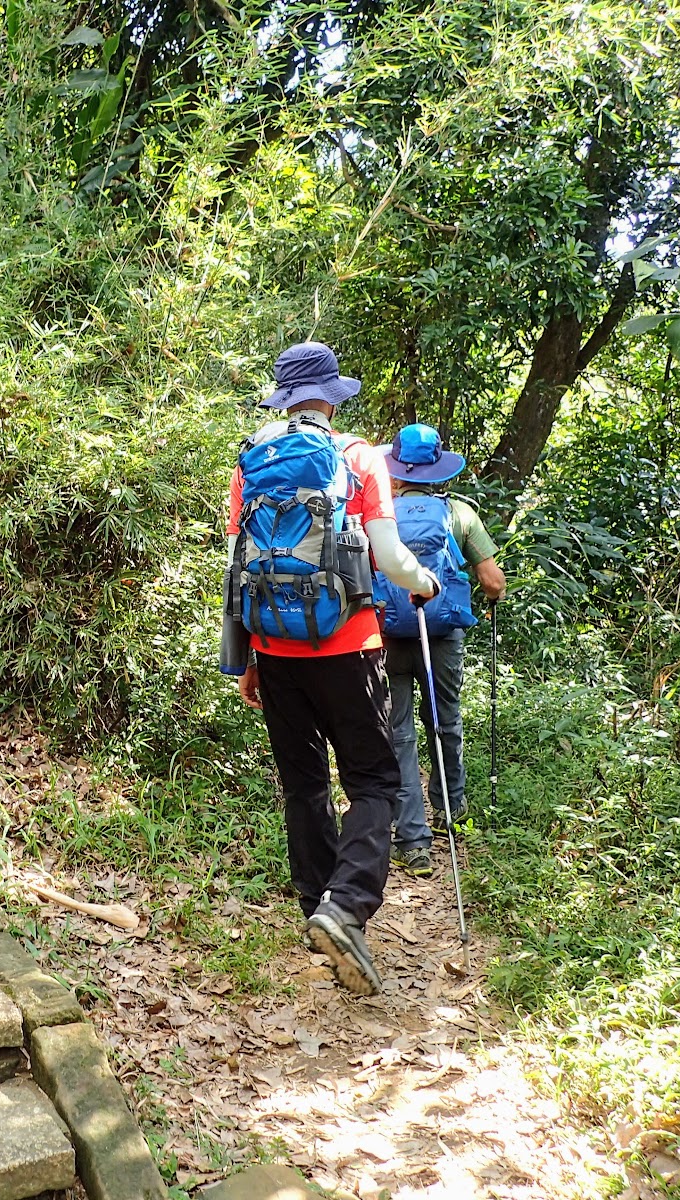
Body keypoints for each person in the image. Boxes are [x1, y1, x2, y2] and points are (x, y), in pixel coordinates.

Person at [223, 342, 440, 997]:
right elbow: (389, 556)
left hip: (275, 649)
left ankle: (318, 905)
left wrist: (248, 657)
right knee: (374, 779)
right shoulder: (360, 457)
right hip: (350, 644)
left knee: (304, 785)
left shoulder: (250, 462)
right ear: (331, 398)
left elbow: (238, 566)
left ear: (284, 400)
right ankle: (344, 908)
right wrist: (423, 582)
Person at [374, 424, 506, 879]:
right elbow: (492, 581)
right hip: (443, 633)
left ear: (395, 471)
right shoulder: (460, 514)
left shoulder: (380, 514)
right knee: (444, 720)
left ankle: (412, 841)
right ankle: (451, 811)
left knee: (399, 733)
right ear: (438, 471)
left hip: (390, 635)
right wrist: (491, 596)